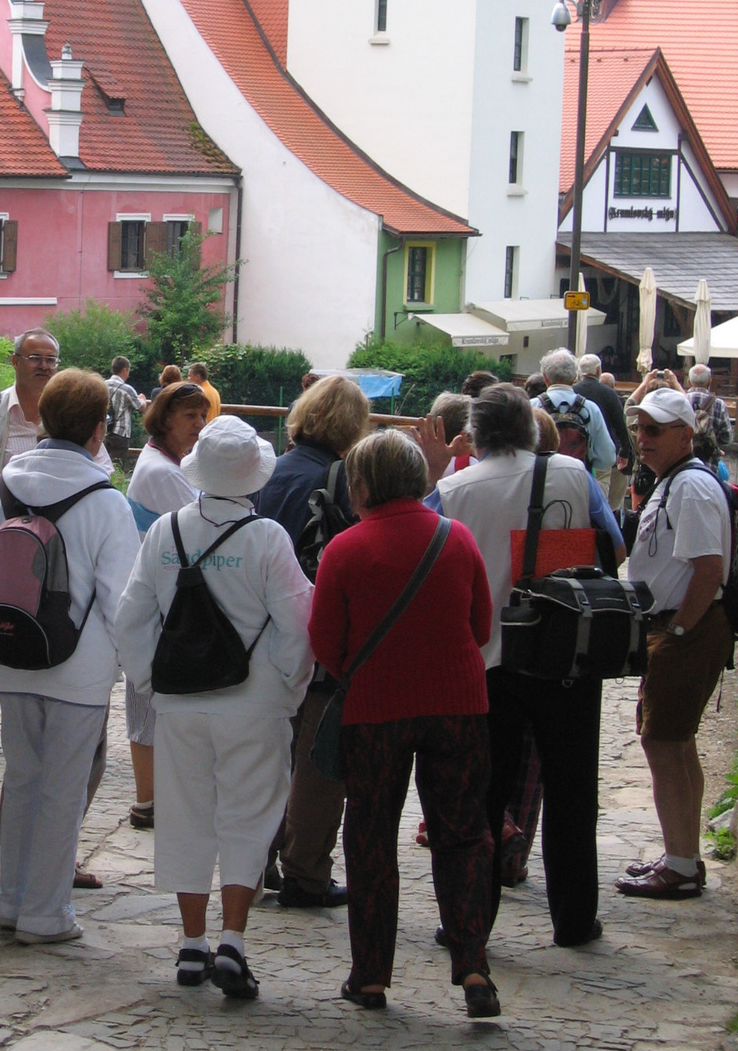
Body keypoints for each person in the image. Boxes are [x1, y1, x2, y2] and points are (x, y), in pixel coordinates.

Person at [116, 416, 313, 1000]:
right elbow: (298, 625)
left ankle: (190, 943)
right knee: (248, 818)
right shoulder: (268, 538)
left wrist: (152, 684)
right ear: (254, 474)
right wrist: (286, 687)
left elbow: (130, 618)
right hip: (254, 705)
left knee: (185, 818)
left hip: (180, 703)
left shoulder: (166, 532)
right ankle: (233, 940)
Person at [309, 431, 498, 1017]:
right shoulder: (455, 537)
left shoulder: (346, 548)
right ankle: (472, 966)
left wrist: (364, 674)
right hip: (458, 705)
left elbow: (325, 642)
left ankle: (369, 976)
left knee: (370, 837)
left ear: (360, 484)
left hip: (376, 710)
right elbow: (482, 624)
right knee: (462, 833)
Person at [414, 382, 603, 947]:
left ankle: (470, 917)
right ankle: (573, 919)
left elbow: (424, 552)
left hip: (486, 658)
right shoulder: (572, 475)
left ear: (473, 431)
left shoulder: (452, 490)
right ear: (528, 425)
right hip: (563, 650)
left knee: (481, 797)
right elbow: (607, 546)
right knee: (572, 791)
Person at [0, 369, 139, 944]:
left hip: (11, 655)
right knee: (63, 790)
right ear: (99, 431)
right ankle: (46, 913)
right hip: (80, 670)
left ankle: (11, 902)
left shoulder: (4, 489)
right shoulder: (106, 502)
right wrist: (132, 671)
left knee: (21, 780)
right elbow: (123, 601)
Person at [256, 376, 368, 907]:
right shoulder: (340, 478)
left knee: (272, 755)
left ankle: (260, 859)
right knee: (320, 762)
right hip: (318, 632)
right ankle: (306, 870)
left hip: (264, 631)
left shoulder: (270, 470)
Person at [616, 387, 732, 899]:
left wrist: (680, 630)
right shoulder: (676, 481)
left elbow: (709, 569)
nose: (643, 439)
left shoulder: (691, 487)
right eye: (641, 428)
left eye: (655, 430)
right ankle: (682, 853)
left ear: (686, 434)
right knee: (675, 742)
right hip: (677, 624)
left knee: (662, 742)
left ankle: (682, 866)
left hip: (687, 626)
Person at [123, 381, 211, 829]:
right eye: (190, 417)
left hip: (159, 597)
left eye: (202, 416)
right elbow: (204, 525)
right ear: (165, 419)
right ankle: (148, 800)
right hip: (156, 603)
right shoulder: (163, 471)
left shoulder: (165, 462)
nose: (199, 424)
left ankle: (154, 795)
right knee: (145, 702)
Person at [0, 329, 111, 489]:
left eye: (50, 360)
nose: (44, 366)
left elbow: (103, 471)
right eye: (35, 359)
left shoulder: (73, 413)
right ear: (15, 361)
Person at [532, 348, 616, 475]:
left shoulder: (531, 407)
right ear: (575, 377)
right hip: (579, 481)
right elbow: (607, 459)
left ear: (545, 377)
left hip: (540, 481)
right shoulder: (591, 409)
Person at [576, 353, 633, 511]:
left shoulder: (573, 392)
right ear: (598, 370)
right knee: (602, 503)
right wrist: (625, 451)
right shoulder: (608, 393)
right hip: (601, 455)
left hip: (576, 454)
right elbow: (621, 425)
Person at [105, 356, 147, 464]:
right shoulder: (126, 389)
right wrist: (142, 399)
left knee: (103, 465)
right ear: (125, 369)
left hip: (104, 431)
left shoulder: (102, 385)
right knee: (118, 467)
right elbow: (141, 407)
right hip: (120, 433)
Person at [686, 363, 733, 453]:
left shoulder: (680, 400)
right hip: (709, 460)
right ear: (710, 382)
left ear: (689, 382)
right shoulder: (719, 404)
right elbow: (727, 438)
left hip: (683, 459)